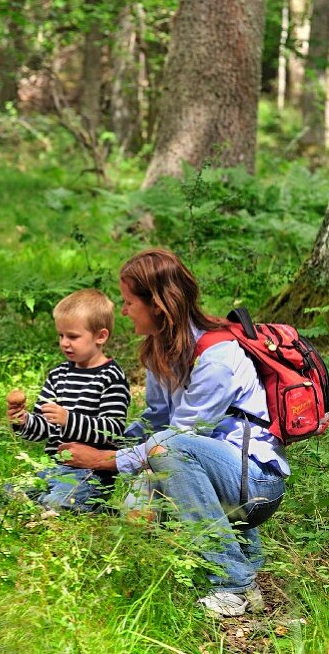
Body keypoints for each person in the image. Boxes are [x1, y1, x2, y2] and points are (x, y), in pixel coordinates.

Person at [58, 248, 288, 618]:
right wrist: (102, 439)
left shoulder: (217, 357)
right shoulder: (160, 349)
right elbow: (155, 420)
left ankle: (234, 585)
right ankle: (245, 562)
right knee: (147, 480)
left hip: (257, 484)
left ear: (160, 305)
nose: (124, 309)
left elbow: (174, 440)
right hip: (220, 471)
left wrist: (106, 460)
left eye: (130, 301)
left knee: (168, 454)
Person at [7, 288, 130, 512]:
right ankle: (45, 507)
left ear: (100, 336)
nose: (64, 343)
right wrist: (23, 421)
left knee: (59, 501)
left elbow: (112, 430)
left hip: (90, 472)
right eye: (61, 335)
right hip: (52, 466)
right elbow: (43, 428)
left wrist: (68, 420)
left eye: (73, 336)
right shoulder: (58, 375)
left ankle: (99, 511)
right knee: (9, 492)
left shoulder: (111, 377)